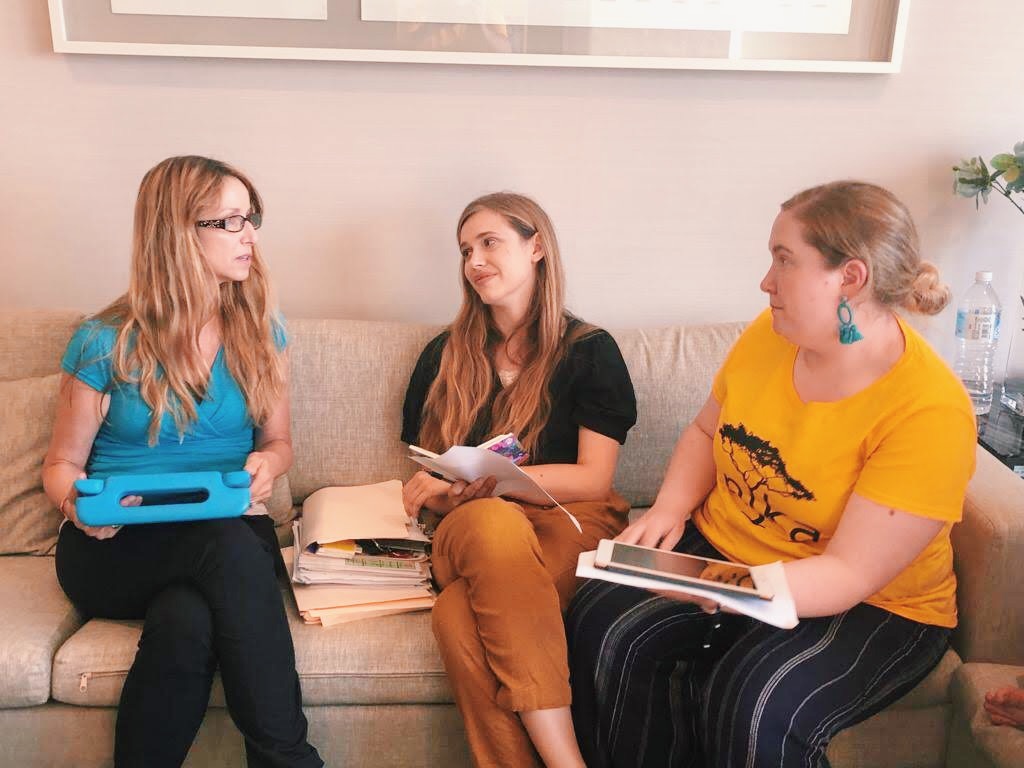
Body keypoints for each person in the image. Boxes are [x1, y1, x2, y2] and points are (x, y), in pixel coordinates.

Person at [566, 181, 978, 767]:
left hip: (874, 605)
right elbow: (708, 432)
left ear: (850, 278)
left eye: (784, 260)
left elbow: (847, 575)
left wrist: (713, 588)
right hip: (730, 551)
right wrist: (668, 511)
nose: (766, 280)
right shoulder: (771, 335)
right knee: (602, 622)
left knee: (753, 701)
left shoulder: (928, 410)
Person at [43, 156, 323, 768]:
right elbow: (61, 464)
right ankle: (289, 760)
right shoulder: (103, 340)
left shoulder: (259, 331)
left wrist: (266, 467)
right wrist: (77, 506)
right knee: (223, 548)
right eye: (229, 221)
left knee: (187, 621)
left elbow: (279, 443)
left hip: (224, 533)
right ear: (177, 231)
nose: (250, 234)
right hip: (115, 545)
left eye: (251, 218)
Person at [401, 192, 637, 767]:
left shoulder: (589, 352)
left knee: (458, 618)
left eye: (490, 243)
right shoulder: (441, 357)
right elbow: (426, 477)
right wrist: (443, 489)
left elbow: (592, 477)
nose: (474, 261)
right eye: (465, 250)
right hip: (469, 528)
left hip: (568, 519)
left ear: (536, 248)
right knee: (488, 519)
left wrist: (502, 481)